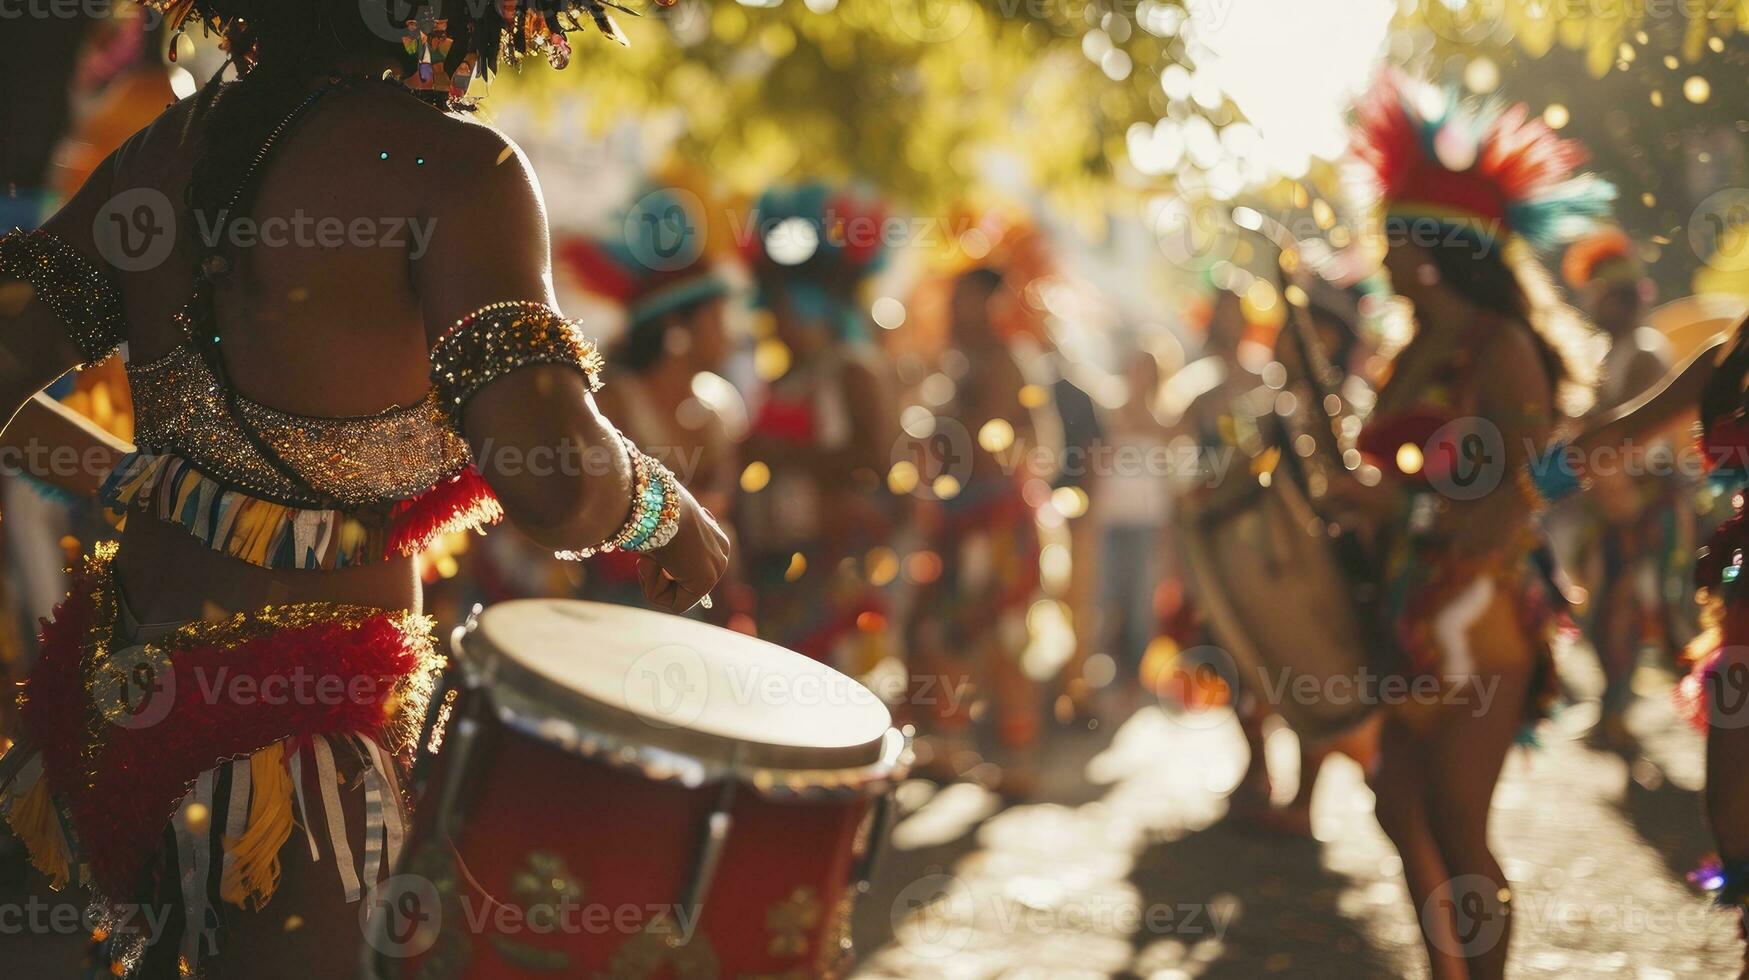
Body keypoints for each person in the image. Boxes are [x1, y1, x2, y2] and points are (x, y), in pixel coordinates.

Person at [0, 4, 728, 977]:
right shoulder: (460, 169)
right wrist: (663, 507)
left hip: (98, 706)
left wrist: (153, 484)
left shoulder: (164, 149)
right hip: (293, 763)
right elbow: (548, 475)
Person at [1329, 71, 1613, 979]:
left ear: (1430, 249)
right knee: (1396, 802)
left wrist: (1400, 503)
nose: (1377, 258)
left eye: (1389, 240)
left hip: (1483, 616)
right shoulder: (1413, 347)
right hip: (1412, 605)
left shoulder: (1502, 351)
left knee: (1455, 817)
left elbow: (1517, 494)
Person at [1569, 311, 1749, 977]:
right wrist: (1521, 486)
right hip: (1742, 619)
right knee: (1732, 810)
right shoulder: (1729, 356)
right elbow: (1614, 438)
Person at [736, 182, 899, 671]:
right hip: (775, 564)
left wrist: (785, 456)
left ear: (815, 312)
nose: (775, 325)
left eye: (784, 312)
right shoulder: (784, 375)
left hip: (834, 566)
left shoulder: (852, 370)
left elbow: (879, 458)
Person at [905, 267, 1047, 790]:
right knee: (951, 633)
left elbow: (990, 443)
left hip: (995, 525)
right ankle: (952, 749)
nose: (955, 312)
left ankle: (1020, 762)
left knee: (1001, 638)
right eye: (954, 300)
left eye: (966, 301)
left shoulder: (1002, 361)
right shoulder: (963, 361)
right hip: (964, 524)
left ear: (992, 306)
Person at [1560, 229, 1682, 746]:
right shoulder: (1611, 351)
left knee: (1631, 607)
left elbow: (1639, 435)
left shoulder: (1647, 351)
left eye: (1600, 297)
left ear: (1622, 297)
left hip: (1644, 500)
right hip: (1613, 499)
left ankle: (1620, 715)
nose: (1593, 307)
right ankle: (1614, 710)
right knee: (1608, 603)